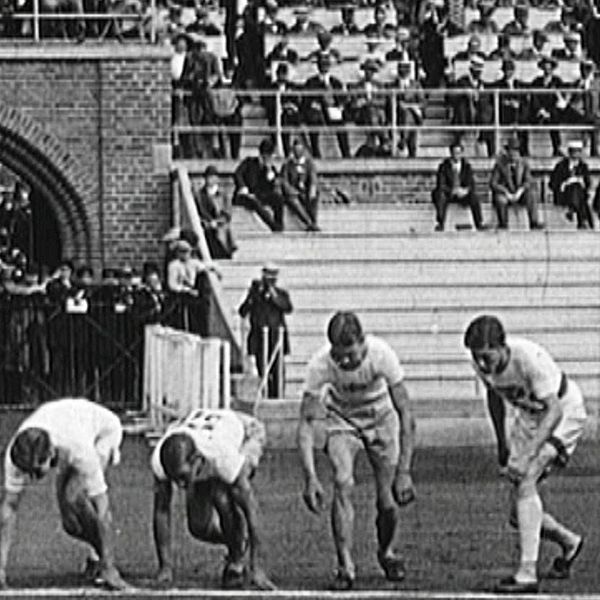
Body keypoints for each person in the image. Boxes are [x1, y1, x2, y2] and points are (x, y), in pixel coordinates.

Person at [463, 315, 587, 593]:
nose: (483, 364)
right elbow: (494, 396)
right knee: (518, 515)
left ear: (502, 346)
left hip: (564, 412)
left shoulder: (529, 358)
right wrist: (502, 444)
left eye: (487, 356)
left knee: (528, 476)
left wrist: (528, 455)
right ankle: (569, 542)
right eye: (477, 357)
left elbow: (554, 410)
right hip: (529, 417)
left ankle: (527, 574)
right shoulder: (481, 365)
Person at [298, 311, 416, 590]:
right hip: (342, 419)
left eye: (351, 354)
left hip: (380, 418)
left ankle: (387, 551)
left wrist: (405, 471)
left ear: (362, 342)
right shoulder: (320, 365)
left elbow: (406, 413)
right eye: (339, 356)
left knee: (387, 499)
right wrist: (310, 477)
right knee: (342, 481)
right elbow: (305, 422)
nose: (346, 361)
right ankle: (345, 565)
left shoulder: (382, 355)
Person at [0, 398, 129, 590]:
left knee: (74, 497)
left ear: (50, 453)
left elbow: (103, 509)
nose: (32, 478)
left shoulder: (80, 451)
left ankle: (104, 563)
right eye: (28, 472)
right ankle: (98, 556)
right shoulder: (16, 456)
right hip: (70, 424)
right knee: (71, 525)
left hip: (103, 432)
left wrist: (110, 568)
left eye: (36, 471)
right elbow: (8, 508)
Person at [151, 407, 275, 590]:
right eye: (174, 478)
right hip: (206, 430)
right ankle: (238, 542)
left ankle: (237, 560)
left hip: (245, 430)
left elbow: (252, 510)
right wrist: (165, 567)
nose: (179, 485)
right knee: (198, 527)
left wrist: (258, 567)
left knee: (224, 496)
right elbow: (161, 511)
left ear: (197, 460)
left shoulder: (223, 456)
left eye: (183, 478)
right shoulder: (160, 461)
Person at [238, 263, 292, 398]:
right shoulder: (256, 293)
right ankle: (266, 394)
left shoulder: (281, 293)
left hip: (276, 337)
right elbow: (242, 311)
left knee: (278, 370)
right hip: (259, 336)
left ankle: (278, 395)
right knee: (263, 369)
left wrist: (273, 294)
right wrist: (253, 295)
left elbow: (287, 307)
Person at [302, 54, 350, 159]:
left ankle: (346, 154)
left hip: (333, 111)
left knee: (341, 126)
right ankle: (316, 152)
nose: (324, 66)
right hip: (318, 112)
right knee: (313, 121)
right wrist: (314, 105)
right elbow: (306, 100)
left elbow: (342, 98)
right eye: (322, 64)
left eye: (326, 64)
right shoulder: (311, 82)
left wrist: (340, 106)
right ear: (318, 66)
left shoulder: (336, 82)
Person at [490, 137, 544, 230]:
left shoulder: (524, 163)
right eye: (511, 151)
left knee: (532, 194)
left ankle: (534, 222)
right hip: (506, 193)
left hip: (520, 194)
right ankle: (503, 224)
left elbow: (528, 180)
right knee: (500, 199)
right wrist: (506, 192)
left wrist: (520, 191)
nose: (514, 155)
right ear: (507, 152)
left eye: (516, 152)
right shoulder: (499, 164)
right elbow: (493, 183)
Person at [432, 141, 486, 231]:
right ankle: (440, 223)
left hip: (462, 194)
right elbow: (441, 184)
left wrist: (465, 190)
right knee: (440, 195)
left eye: (458, 153)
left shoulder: (467, 166)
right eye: (454, 153)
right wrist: (452, 190)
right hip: (449, 193)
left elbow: (471, 183)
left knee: (474, 197)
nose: (456, 155)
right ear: (451, 153)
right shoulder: (444, 166)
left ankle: (479, 223)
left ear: (462, 153)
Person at [234, 138, 284, 232]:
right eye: (267, 156)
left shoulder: (270, 168)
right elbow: (238, 174)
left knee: (278, 198)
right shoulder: (249, 162)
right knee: (255, 202)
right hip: (245, 195)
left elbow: (272, 186)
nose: (269, 159)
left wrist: (270, 174)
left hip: (260, 194)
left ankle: (279, 224)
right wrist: (243, 187)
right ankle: (273, 226)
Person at [549, 139, 594, 229]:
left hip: (579, 194)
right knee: (576, 191)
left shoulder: (583, 166)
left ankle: (573, 209)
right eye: (573, 152)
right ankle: (584, 220)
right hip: (564, 194)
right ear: (569, 152)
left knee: (577, 188)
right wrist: (565, 183)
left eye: (577, 152)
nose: (575, 154)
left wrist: (579, 181)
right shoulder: (561, 166)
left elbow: (588, 184)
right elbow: (552, 183)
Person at [195, 165, 237, 259]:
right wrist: (208, 222)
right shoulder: (199, 195)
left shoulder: (223, 194)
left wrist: (218, 221)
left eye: (213, 177)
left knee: (225, 230)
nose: (211, 180)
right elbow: (199, 212)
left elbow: (227, 212)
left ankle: (226, 253)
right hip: (206, 223)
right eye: (209, 177)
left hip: (220, 223)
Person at [280, 139, 320, 231]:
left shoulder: (309, 164)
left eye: (300, 150)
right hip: (294, 193)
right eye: (296, 150)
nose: (298, 152)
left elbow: (313, 177)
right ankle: (308, 222)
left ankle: (314, 221)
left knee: (314, 194)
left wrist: (312, 189)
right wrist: (291, 191)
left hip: (305, 191)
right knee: (293, 200)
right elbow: (284, 181)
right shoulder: (287, 165)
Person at [529, 56, 565, 157]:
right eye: (545, 68)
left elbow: (560, 100)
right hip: (540, 111)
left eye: (549, 69)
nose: (547, 71)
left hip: (553, 111)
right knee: (524, 119)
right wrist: (540, 110)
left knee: (554, 119)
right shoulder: (537, 81)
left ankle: (556, 148)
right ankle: (524, 149)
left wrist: (549, 111)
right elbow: (534, 97)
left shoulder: (557, 81)